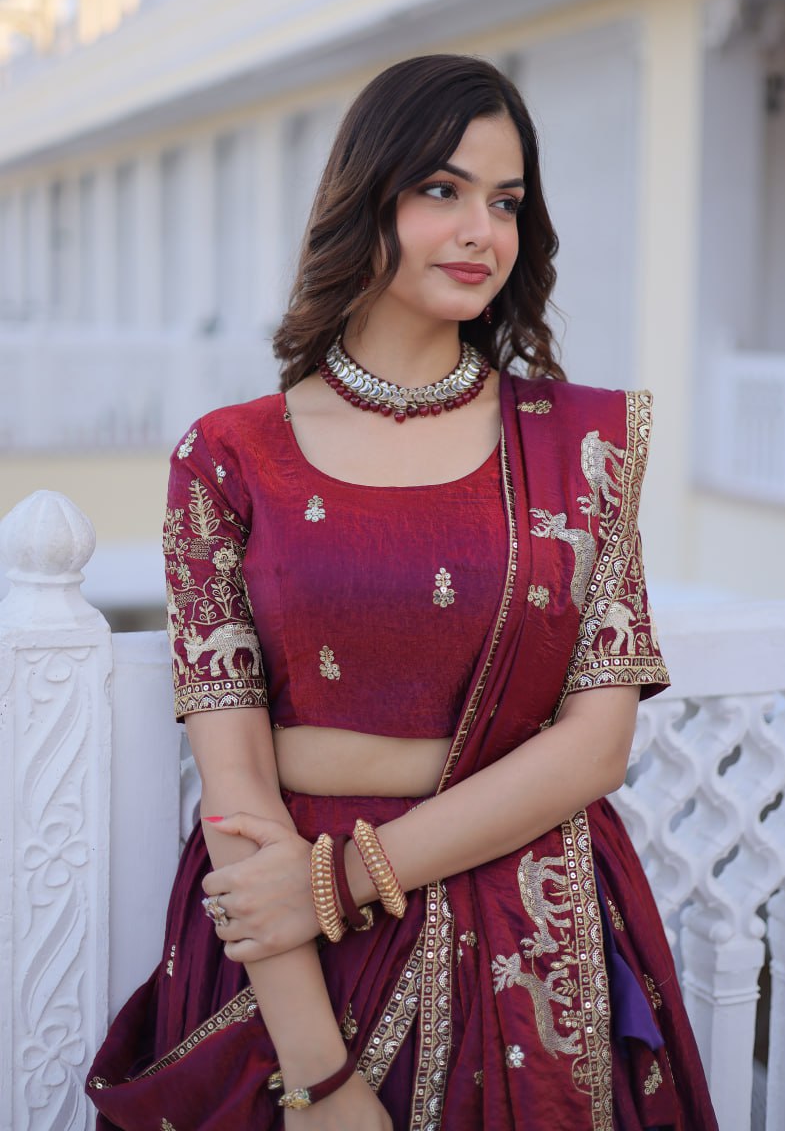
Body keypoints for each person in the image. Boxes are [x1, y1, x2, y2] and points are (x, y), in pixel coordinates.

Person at [87, 54, 718, 1130]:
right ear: (365, 198)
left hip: (529, 919)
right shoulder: (230, 457)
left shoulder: (583, 448)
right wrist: (318, 1077)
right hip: (287, 944)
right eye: (441, 190)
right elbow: (235, 783)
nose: (480, 231)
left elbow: (594, 747)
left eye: (505, 202)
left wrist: (342, 878)